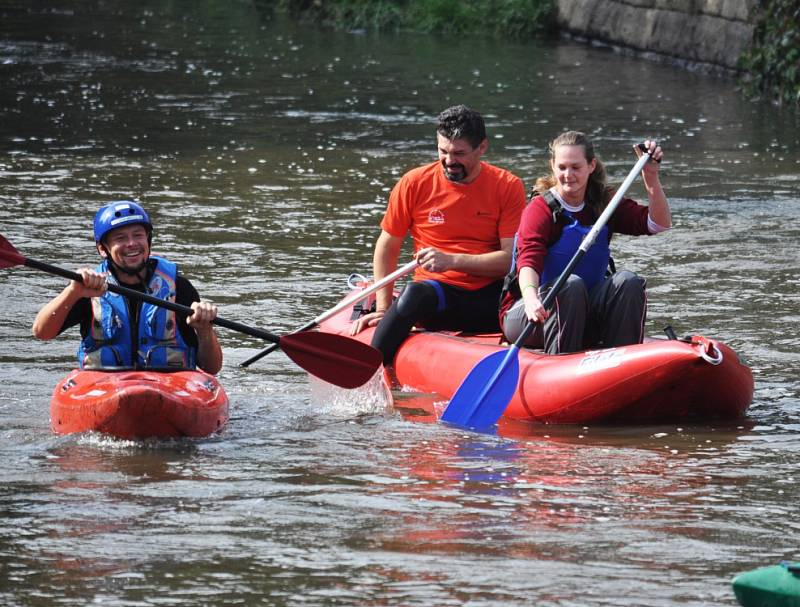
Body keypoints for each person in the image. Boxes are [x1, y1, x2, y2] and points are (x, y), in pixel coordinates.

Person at [350, 104, 526, 364]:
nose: (449, 161)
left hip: (491, 299)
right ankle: (370, 368)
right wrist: (385, 308)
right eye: (442, 151)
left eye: (459, 153)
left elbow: (510, 261)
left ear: (482, 148)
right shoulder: (414, 182)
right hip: (437, 297)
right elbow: (388, 246)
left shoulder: (507, 186)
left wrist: (451, 260)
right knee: (414, 293)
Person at [499, 131, 670, 354]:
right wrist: (531, 298)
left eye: (576, 167)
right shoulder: (540, 210)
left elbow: (658, 224)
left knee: (629, 281)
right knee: (570, 284)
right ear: (553, 166)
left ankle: (622, 360)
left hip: (584, 310)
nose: (568, 174)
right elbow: (528, 261)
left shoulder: (604, 203)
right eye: (562, 167)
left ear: (591, 166)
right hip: (532, 312)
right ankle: (560, 364)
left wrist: (650, 176)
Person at [32, 200, 223, 374]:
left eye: (138, 235)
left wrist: (205, 330)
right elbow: (42, 332)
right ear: (102, 249)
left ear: (148, 240)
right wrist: (73, 292)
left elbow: (211, 368)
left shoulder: (179, 287)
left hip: (170, 385)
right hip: (104, 387)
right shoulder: (87, 288)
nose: (131, 244)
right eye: (120, 238)